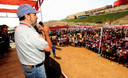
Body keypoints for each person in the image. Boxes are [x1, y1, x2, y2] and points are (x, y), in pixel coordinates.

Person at [15, 4, 52, 78]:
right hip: (36, 69)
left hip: (29, 67)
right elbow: (48, 48)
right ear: (27, 16)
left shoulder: (19, 28)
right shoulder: (29, 32)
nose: (37, 17)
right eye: (34, 14)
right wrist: (46, 33)